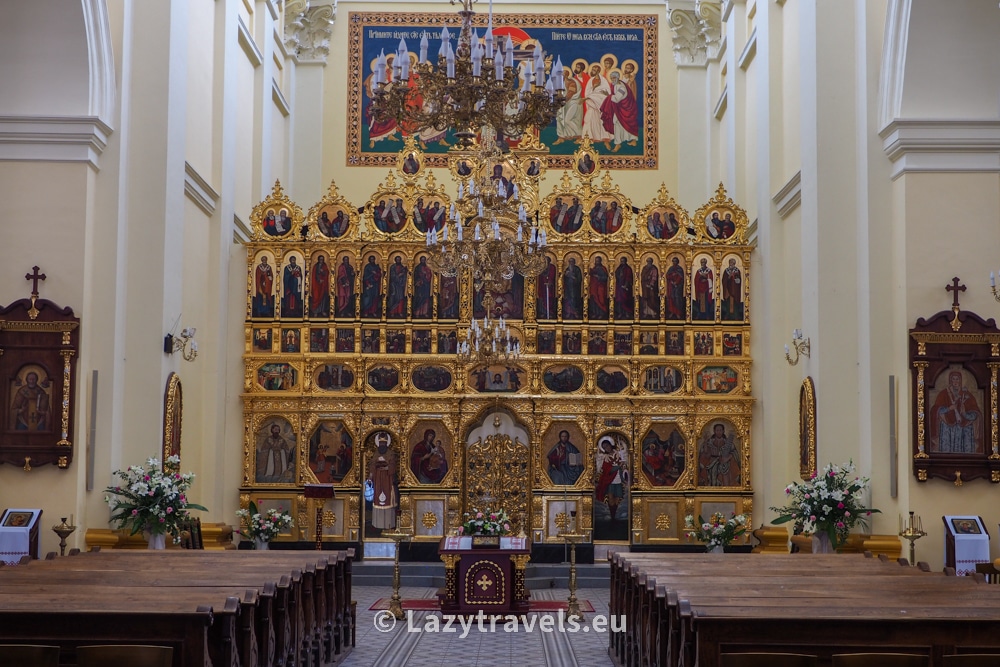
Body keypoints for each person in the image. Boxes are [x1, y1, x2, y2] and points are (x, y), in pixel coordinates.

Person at [930, 371, 982, 454]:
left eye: (957, 379)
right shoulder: (943, 394)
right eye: (953, 379)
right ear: (950, 380)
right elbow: (935, 410)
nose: (955, 381)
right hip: (948, 428)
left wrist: (965, 414)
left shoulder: (967, 395)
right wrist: (949, 408)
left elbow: (975, 414)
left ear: (960, 380)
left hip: (964, 429)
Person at [600, 70, 639, 152]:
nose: (612, 79)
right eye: (611, 78)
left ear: (617, 78)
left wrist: (607, 95)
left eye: (614, 78)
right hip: (619, 108)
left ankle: (618, 144)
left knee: (617, 123)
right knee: (622, 124)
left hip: (624, 109)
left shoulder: (622, 88)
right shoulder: (616, 84)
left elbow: (616, 99)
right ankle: (633, 140)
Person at [367, 433, 398, 529]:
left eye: (384, 443)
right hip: (378, 479)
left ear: (387, 443)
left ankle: (389, 524)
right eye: (380, 443)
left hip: (387, 479)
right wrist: (370, 477)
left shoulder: (391, 453)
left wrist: (387, 467)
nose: (382, 445)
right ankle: (378, 524)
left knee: (388, 498)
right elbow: (372, 465)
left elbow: (393, 466)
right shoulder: (376, 453)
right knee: (377, 498)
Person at [595, 436, 628, 521]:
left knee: (617, 499)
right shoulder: (605, 458)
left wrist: (623, 465)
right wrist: (618, 466)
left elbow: (624, 466)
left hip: (619, 479)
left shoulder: (619, 453)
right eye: (604, 447)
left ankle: (614, 515)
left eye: (607, 445)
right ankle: (612, 515)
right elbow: (607, 470)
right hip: (609, 480)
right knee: (611, 499)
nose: (607, 448)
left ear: (611, 445)